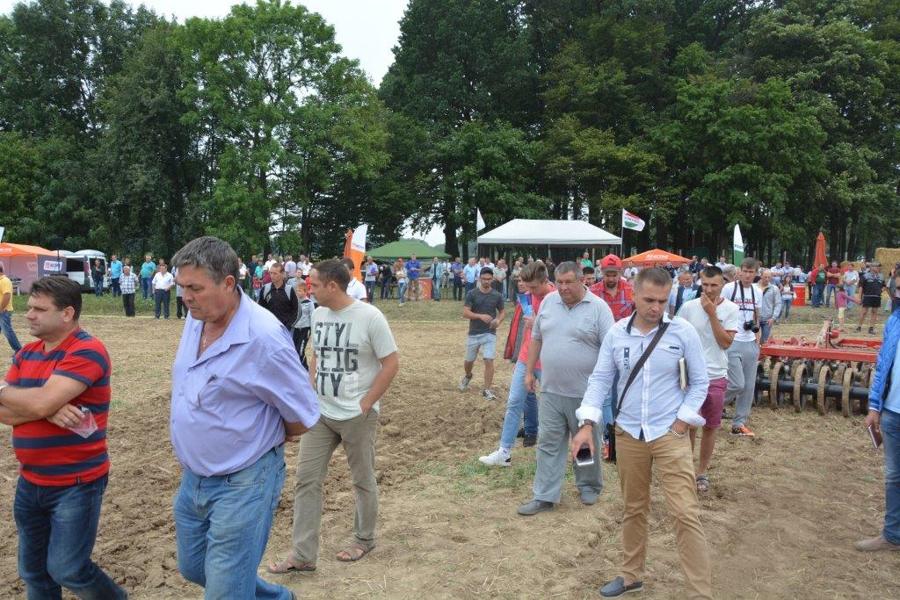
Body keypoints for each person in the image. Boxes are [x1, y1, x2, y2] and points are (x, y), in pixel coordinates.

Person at [169, 236, 320, 599]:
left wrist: (262, 436)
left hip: (244, 480)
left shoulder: (264, 338)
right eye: (181, 287)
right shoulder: (198, 316)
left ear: (228, 283)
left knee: (225, 588)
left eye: (195, 288)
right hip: (195, 477)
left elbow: (302, 413)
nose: (186, 297)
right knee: (195, 567)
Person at [573, 267, 712, 599]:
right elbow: (600, 380)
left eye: (662, 301)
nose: (656, 307)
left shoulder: (682, 332)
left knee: (685, 513)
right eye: (649, 300)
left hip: (669, 434)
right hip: (629, 434)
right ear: (633, 294)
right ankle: (631, 575)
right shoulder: (617, 334)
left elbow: (700, 382)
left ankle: (700, 593)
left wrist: (682, 422)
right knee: (634, 507)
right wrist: (586, 423)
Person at [0, 276, 127, 599]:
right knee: (34, 572)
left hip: (76, 483)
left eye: (39, 309)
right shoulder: (27, 353)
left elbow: (36, 403)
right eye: (29, 307)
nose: (29, 314)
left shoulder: (87, 350)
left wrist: (36, 402)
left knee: (68, 568)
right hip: (30, 482)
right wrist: (46, 408)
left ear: (67, 313)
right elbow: (7, 413)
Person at [269, 259, 398, 573]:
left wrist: (367, 403)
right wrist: (308, 393)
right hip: (321, 415)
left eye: (313, 284)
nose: (308, 289)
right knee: (306, 480)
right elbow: (317, 355)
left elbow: (391, 363)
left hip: (357, 416)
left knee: (362, 479)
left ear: (332, 285)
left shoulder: (370, 317)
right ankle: (303, 555)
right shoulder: (319, 314)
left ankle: (364, 539)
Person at [516, 262, 614, 516]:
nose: (563, 287)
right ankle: (544, 495)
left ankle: (588, 485)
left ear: (582, 280)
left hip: (585, 394)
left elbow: (610, 349)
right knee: (548, 443)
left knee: (584, 444)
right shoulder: (548, 302)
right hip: (551, 390)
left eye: (569, 282)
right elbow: (536, 338)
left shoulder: (598, 309)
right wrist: (529, 371)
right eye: (559, 282)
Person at [480, 262, 554, 465]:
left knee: (551, 409)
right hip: (526, 358)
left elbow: (562, 330)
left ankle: (549, 453)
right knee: (514, 402)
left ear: (545, 281)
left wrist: (538, 323)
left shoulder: (557, 298)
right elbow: (525, 331)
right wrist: (518, 356)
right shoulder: (527, 296)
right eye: (525, 286)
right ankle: (504, 452)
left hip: (549, 361)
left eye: (533, 287)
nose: (529, 291)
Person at [676, 266, 740, 492]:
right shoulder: (688, 307)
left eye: (714, 285)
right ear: (699, 283)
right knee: (689, 424)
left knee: (711, 426)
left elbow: (725, 343)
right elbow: (677, 338)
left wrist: (712, 314)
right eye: (705, 285)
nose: (709, 289)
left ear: (722, 284)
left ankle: (702, 472)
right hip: (690, 376)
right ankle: (686, 469)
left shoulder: (731, 309)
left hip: (715, 375)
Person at [856, 305, 900, 552]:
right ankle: (892, 535)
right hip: (892, 412)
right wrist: (874, 406)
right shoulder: (895, 321)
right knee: (894, 476)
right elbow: (883, 364)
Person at [722, 258, 763, 437]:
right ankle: (710, 405)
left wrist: (757, 341)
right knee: (737, 384)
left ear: (755, 273)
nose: (747, 275)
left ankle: (739, 424)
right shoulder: (729, 288)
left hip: (750, 341)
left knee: (748, 387)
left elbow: (757, 317)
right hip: (732, 340)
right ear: (739, 271)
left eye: (751, 272)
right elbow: (719, 312)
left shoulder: (757, 291)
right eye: (745, 271)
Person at [460, 268, 505, 401]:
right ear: (479, 279)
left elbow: (502, 312)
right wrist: (480, 316)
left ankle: (487, 389)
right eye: (484, 279)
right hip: (474, 332)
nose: (486, 281)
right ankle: (468, 375)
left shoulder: (497, 295)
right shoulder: (472, 294)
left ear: (492, 279)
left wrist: (498, 321)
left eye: (489, 279)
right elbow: (465, 313)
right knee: (469, 361)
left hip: (489, 332)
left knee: (489, 359)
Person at [259, 262, 299, 330]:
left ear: (282, 274)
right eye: (271, 273)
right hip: (268, 328)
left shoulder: (289, 290)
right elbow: (260, 309)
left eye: (275, 273)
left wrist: (289, 326)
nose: (272, 276)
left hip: (285, 329)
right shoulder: (265, 289)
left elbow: (296, 310)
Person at [858, 262, 886, 334]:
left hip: (877, 297)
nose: (878, 268)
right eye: (876, 266)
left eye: (878, 266)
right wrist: (859, 297)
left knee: (874, 312)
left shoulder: (881, 276)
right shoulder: (865, 275)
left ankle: (871, 328)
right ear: (871, 267)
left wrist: (881, 291)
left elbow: (884, 286)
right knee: (864, 312)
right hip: (867, 296)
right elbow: (861, 287)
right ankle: (859, 326)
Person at [0, 263, 22, 353]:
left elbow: (7, 295)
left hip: (3, 311)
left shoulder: (4, 281)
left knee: (7, 332)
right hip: (2, 310)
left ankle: (19, 350)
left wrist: (1, 308)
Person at [292, 281, 315, 368]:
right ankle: (303, 366)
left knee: (300, 350)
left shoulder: (309, 303)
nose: (297, 292)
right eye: (297, 290)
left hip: (305, 329)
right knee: (294, 349)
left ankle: (302, 368)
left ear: (305, 291)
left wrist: (312, 330)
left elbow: (312, 316)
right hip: (296, 328)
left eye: (300, 291)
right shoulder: (295, 302)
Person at [757, 269, 782, 344]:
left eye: (769, 277)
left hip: (767, 319)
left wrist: (773, 318)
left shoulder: (774, 289)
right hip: (755, 318)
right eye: (765, 277)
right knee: (753, 340)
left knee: (765, 341)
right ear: (761, 276)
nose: (767, 279)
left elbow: (778, 303)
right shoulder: (754, 287)